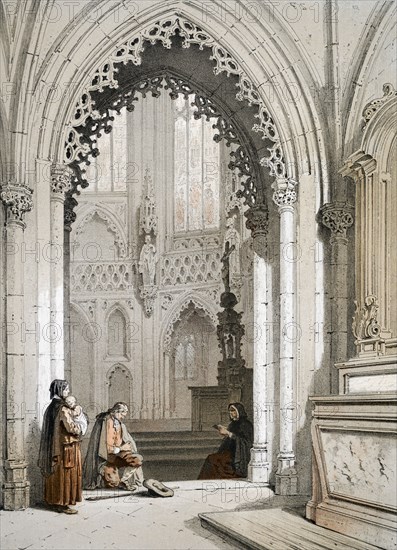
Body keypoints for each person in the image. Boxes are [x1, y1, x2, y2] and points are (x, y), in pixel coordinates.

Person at [38, 379, 84, 514]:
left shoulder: (51, 407)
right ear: (59, 390)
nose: (68, 391)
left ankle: (52, 500)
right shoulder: (63, 408)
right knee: (65, 474)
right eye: (66, 389)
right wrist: (81, 425)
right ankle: (62, 503)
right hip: (66, 447)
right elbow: (71, 428)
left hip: (55, 447)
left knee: (56, 474)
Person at [198, 402, 253, 480]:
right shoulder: (233, 423)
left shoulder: (246, 424)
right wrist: (226, 433)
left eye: (233, 411)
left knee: (212, 459)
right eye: (230, 411)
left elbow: (246, 442)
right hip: (230, 452)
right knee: (211, 458)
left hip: (238, 455)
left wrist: (229, 433)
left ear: (239, 411)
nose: (231, 413)